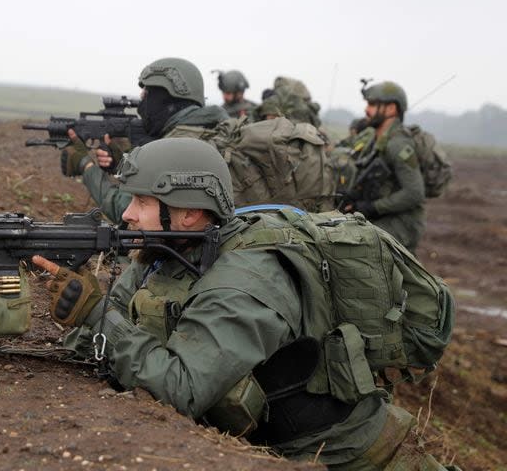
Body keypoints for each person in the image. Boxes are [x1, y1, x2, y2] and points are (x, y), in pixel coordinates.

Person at [33, 138, 456, 470]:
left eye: (141, 201)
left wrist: (95, 313)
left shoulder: (247, 281)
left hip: (347, 455)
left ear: (190, 213)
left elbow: (182, 389)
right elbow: (116, 320)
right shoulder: (170, 253)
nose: (126, 214)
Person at [61, 57, 229, 224]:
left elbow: (127, 214)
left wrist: (86, 166)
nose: (142, 102)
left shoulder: (179, 147)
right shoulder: (213, 130)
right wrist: (123, 164)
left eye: (147, 94)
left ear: (165, 98)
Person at [343, 81, 426, 254]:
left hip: (401, 224)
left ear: (391, 109)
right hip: (383, 218)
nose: (367, 110)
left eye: (373, 105)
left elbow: (414, 193)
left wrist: (373, 207)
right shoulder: (377, 141)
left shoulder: (398, 144)